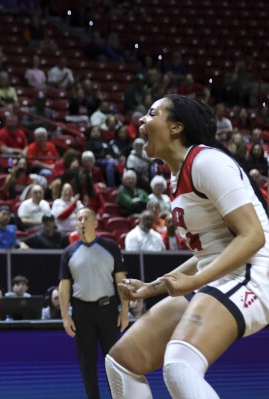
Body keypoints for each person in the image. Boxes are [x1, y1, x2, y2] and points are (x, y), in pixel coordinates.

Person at [105, 95, 269, 399]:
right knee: (122, 361)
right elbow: (207, 254)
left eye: (152, 113)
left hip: (255, 272)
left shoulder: (207, 161)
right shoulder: (176, 176)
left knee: (180, 365)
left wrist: (193, 282)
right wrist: (152, 288)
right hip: (219, 275)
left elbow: (253, 236)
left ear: (177, 127)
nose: (141, 120)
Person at [59, 208, 129, 399]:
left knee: (113, 360)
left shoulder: (111, 247)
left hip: (108, 310)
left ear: (95, 223)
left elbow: (121, 281)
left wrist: (124, 311)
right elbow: (64, 287)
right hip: (82, 312)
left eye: (85, 218)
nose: (81, 222)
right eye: (79, 219)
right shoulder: (69, 252)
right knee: (87, 363)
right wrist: (65, 316)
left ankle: (118, 396)